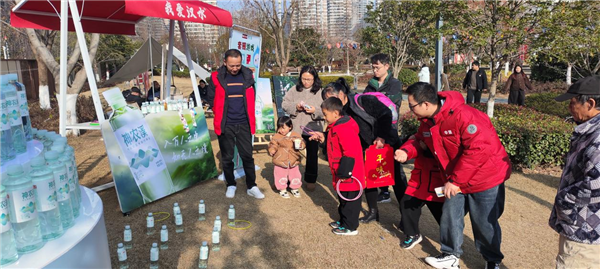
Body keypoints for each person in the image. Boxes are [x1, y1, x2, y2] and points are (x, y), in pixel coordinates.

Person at [395, 82, 510, 269]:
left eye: (412, 105)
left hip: (485, 178)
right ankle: (450, 255)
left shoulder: (464, 115)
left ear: (425, 104)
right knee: (449, 215)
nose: (410, 110)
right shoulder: (426, 122)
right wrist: (407, 151)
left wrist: (456, 180)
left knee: (484, 223)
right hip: (456, 179)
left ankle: (493, 261)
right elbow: (419, 140)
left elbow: (479, 150)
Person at [323, 78, 405, 225]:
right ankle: (373, 212)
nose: (330, 103)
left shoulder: (363, 100)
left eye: (332, 98)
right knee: (368, 180)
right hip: (366, 149)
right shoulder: (339, 111)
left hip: (385, 143)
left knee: (396, 180)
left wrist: (381, 137)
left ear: (342, 94)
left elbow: (386, 114)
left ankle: (406, 217)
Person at [550, 75, 600, 269]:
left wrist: (564, 200)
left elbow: (596, 184)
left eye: (572, 102)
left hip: (586, 231)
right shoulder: (588, 130)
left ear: (591, 103)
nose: (570, 108)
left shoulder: (597, 138)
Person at [206, 49, 265, 199]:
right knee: (227, 158)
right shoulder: (215, 77)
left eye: (238, 65)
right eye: (232, 65)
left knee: (247, 156)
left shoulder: (248, 75)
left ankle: (252, 186)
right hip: (226, 124)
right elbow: (211, 98)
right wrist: (218, 111)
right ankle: (231, 184)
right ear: (225, 62)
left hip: (244, 123)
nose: (235, 68)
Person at [308, 97, 365, 235]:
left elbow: (350, 151)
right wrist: (323, 137)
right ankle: (344, 221)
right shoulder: (335, 127)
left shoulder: (344, 128)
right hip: (341, 171)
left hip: (349, 173)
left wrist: (345, 173)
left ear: (335, 113)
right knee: (343, 198)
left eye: (325, 114)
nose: (324, 118)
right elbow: (333, 145)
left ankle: (350, 227)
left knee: (350, 201)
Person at [364, 53, 404, 204]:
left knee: (394, 164)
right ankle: (384, 190)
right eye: (373, 67)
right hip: (374, 128)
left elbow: (389, 103)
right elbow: (364, 103)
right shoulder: (370, 85)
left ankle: (402, 197)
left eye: (377, 67)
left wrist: (373, 100)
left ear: (387, 66)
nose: (375, 70)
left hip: (390, 129)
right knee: (378, 161)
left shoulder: (394, 84)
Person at [397, 134, 444, 250]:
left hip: (439, 180)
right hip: (420, 178)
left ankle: (450, 241)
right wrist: (406, 151)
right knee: (407, 203)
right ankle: (412, 234)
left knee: (444, 214)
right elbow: (415, 142)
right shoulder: (425, 124)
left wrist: (427, 147)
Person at [281, 66, 324, 192]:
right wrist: (296, 107)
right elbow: (284, 104)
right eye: (304, 79)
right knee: (292, 153)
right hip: (296, 127)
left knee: (312, 155)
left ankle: (311, 179)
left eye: (309, 79)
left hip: (313, 128)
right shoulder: (294, 89)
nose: (306, 82)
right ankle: (289, 177)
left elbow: (328, 110)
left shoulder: (321, 92)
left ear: (314, 79)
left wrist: (315, 110)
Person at [268, 116, 305, 199]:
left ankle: (294, 188)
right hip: (280, 160)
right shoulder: (277, 136)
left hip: (293, 159)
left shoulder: (296, 135)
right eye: (279, 128)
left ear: (290, 127)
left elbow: (302, 144)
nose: (281, 130)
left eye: (283, 128)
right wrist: (272, 149)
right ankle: (282, 189)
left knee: (295, 174)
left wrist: (301, 145)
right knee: (280, 174)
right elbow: (273, 144)